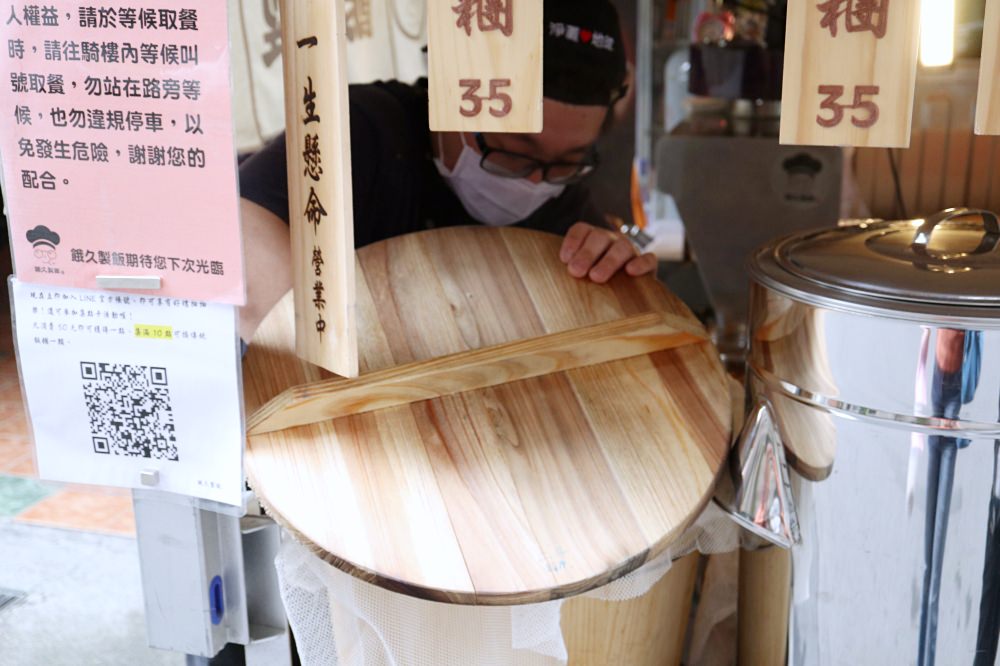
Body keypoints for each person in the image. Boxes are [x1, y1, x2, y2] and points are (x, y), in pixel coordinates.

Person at [236, 0, 656, 340]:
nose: (534, 183)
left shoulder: (562, 197)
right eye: (513, 151)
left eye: (566, 162)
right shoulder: (359, 132)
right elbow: (242, 238)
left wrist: (621, 274)